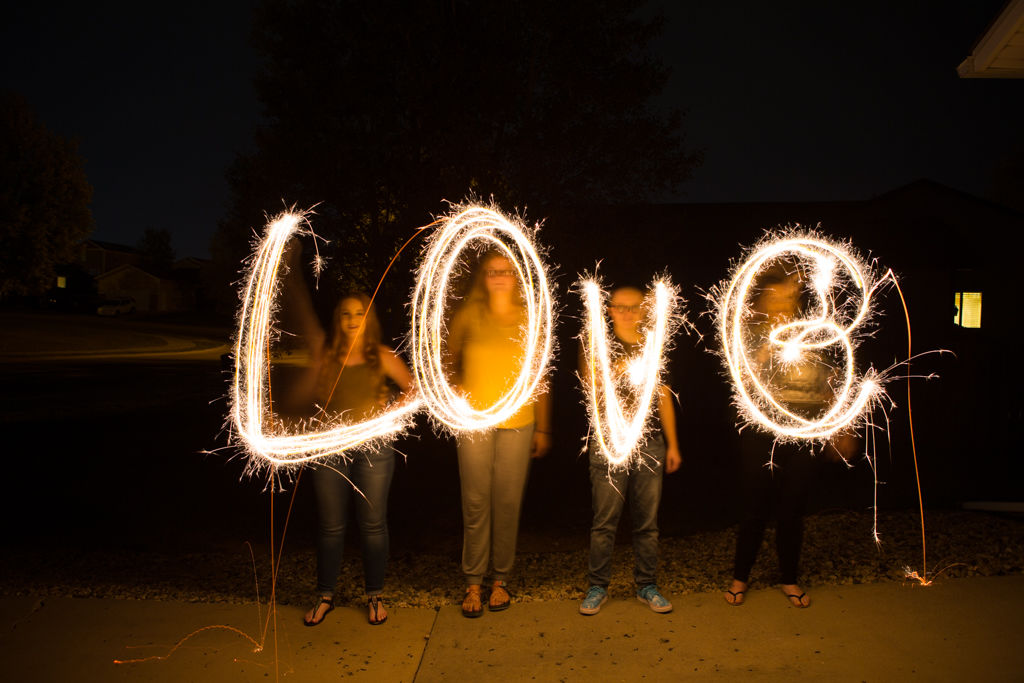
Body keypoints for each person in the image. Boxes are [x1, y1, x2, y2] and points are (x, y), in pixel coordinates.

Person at [722, 271, 856, 609]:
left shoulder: (814, 332)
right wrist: (768, 349)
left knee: (793, 507)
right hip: (762, 429)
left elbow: (833, 382)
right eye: (778, 297)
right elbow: (742, 378)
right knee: (754, 505)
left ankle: (789, 578)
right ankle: (740, 577)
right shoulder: (750, 333)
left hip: (806, 429)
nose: (785, 304)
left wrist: (841, 427)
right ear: (763, 299)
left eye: (791, 298)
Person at [446, 249, 552, 618]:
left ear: (518, 277)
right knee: (475, 502)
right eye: (493, 271)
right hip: (474, 422)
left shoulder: (529, 319)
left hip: (519, 422)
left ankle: (500, 580)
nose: (500, 276)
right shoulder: (468, 315)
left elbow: (541, 377)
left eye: (507, 270)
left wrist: (544, 426)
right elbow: (447, 358)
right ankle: (473, 582)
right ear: (483, 277)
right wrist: (455, 388)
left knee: (507, 503)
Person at [302, 292, 414, 627]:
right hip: (331, 450)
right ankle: (325, 596)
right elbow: (309, 394)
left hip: (375, 450)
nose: (352, 320)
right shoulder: (326, 356)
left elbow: (414, 388)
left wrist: (390, 411)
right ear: (338, 320)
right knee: (331, 526)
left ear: (369, 319)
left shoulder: (382, 356)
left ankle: (375, 594)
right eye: (345, 314)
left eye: (359, 313)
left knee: (372, 524)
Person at [578, 286, 682, 616]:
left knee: (647, 523)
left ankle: (647, 586)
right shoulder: (596, 345)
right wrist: (617, 369)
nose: (626, 312)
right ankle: (598, 587)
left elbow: (663, 395)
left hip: (650, 443)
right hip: (608, 443)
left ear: (643, 309)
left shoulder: (655, 345)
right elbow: (590, 386)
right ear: (608, 309)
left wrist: (673, 444)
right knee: (604, 521)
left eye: (634, 306)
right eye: (620, 307)